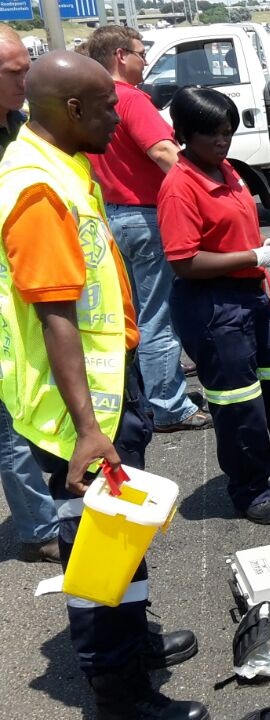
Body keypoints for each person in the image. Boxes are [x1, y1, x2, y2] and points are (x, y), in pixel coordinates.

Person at [0, 52, 205, 720]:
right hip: (77, 415)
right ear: (73, 109)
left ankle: (134, 646)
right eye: (111, 107)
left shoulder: (66, 163)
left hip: (108, 392)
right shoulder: (36, 186)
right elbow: (55, 314)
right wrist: (90, 429)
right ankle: (119, 694)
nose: (123, 117)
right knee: (102, 551)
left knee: (126, 541)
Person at [157, 86, 270, 525]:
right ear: (184, 134)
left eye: (227, 132)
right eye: (211, 135)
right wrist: (254, 257)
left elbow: (227, 232)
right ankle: (251, 489)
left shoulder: (228, 172)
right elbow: (185, 261)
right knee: (239, 403)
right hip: (213, 304)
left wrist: (261, 245)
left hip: (249, 296)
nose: (222, 142)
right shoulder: (181, 185)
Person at [86, 25, 211, 433]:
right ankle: (170, 406)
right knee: (158, 317)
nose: (145, 61)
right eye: (141, 53)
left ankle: (146, 393)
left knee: (133, 315)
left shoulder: (92, 100)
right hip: (145, 217)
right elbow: (163, 151)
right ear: (121, 56)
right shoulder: (131, 99)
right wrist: (206, 193)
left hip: (111, 215)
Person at [0, 24, 60, 563]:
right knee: (8, 424)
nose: (28, 79)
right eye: (16, 72)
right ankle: (40, 529)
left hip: (28, 296)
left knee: (35, 402)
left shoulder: (21, 126)